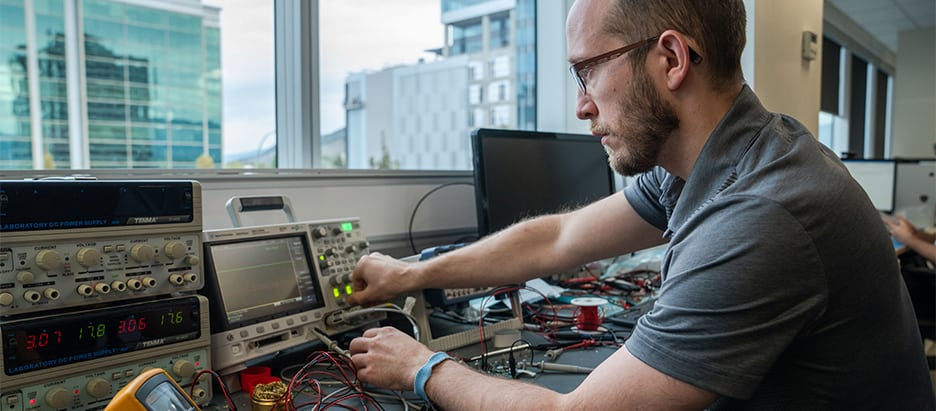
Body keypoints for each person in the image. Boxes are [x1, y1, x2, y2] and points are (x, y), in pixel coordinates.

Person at [347, 0, 935, 409]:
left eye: (587, 71)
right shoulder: (722, 156)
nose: (582, 106)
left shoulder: (763, 213)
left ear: (672, 59)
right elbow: (561, 239)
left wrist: (422, 369)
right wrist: (412, 272)